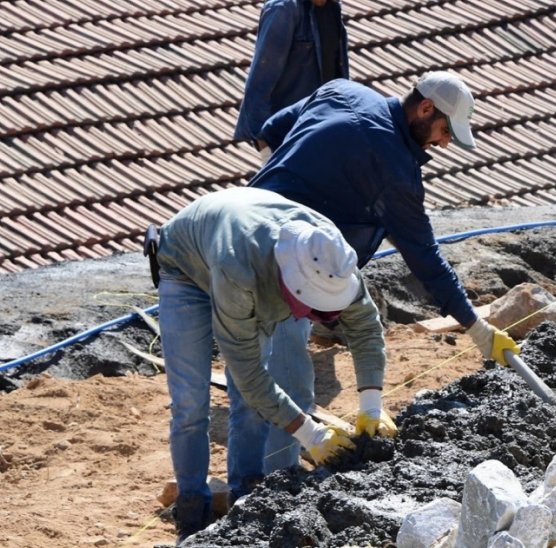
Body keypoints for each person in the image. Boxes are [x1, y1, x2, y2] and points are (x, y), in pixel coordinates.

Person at [247, 71, 520, 445]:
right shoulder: (394, 172)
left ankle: (249, 471)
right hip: (294, 271)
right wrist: (476, 328)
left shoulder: (343, 91)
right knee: (290, 383)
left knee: (250, 365)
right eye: (444, 132)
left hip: (244, 230)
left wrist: (280, 183)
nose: (443, 145)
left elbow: (269, 130)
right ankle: (277, 480)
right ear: (425, 108)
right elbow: (426, 261)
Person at [151, 187, 397, 544]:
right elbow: (249, 373)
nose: (320, 318)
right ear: (292, 287)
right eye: (315, 309)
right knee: (190, 403)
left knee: (252, 408)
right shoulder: (241, 271)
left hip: (243, 255)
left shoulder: (330, 254)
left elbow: (365, 326)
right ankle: (192, 510)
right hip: (185, 270)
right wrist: (310, 434)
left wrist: (372, 405)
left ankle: (247, 502)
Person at [233, 0, 379, 158]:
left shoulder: (332, 5)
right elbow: (258, 92)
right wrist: (269, 157)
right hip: (288, 149)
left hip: (322, 144)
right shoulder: (284, 7)